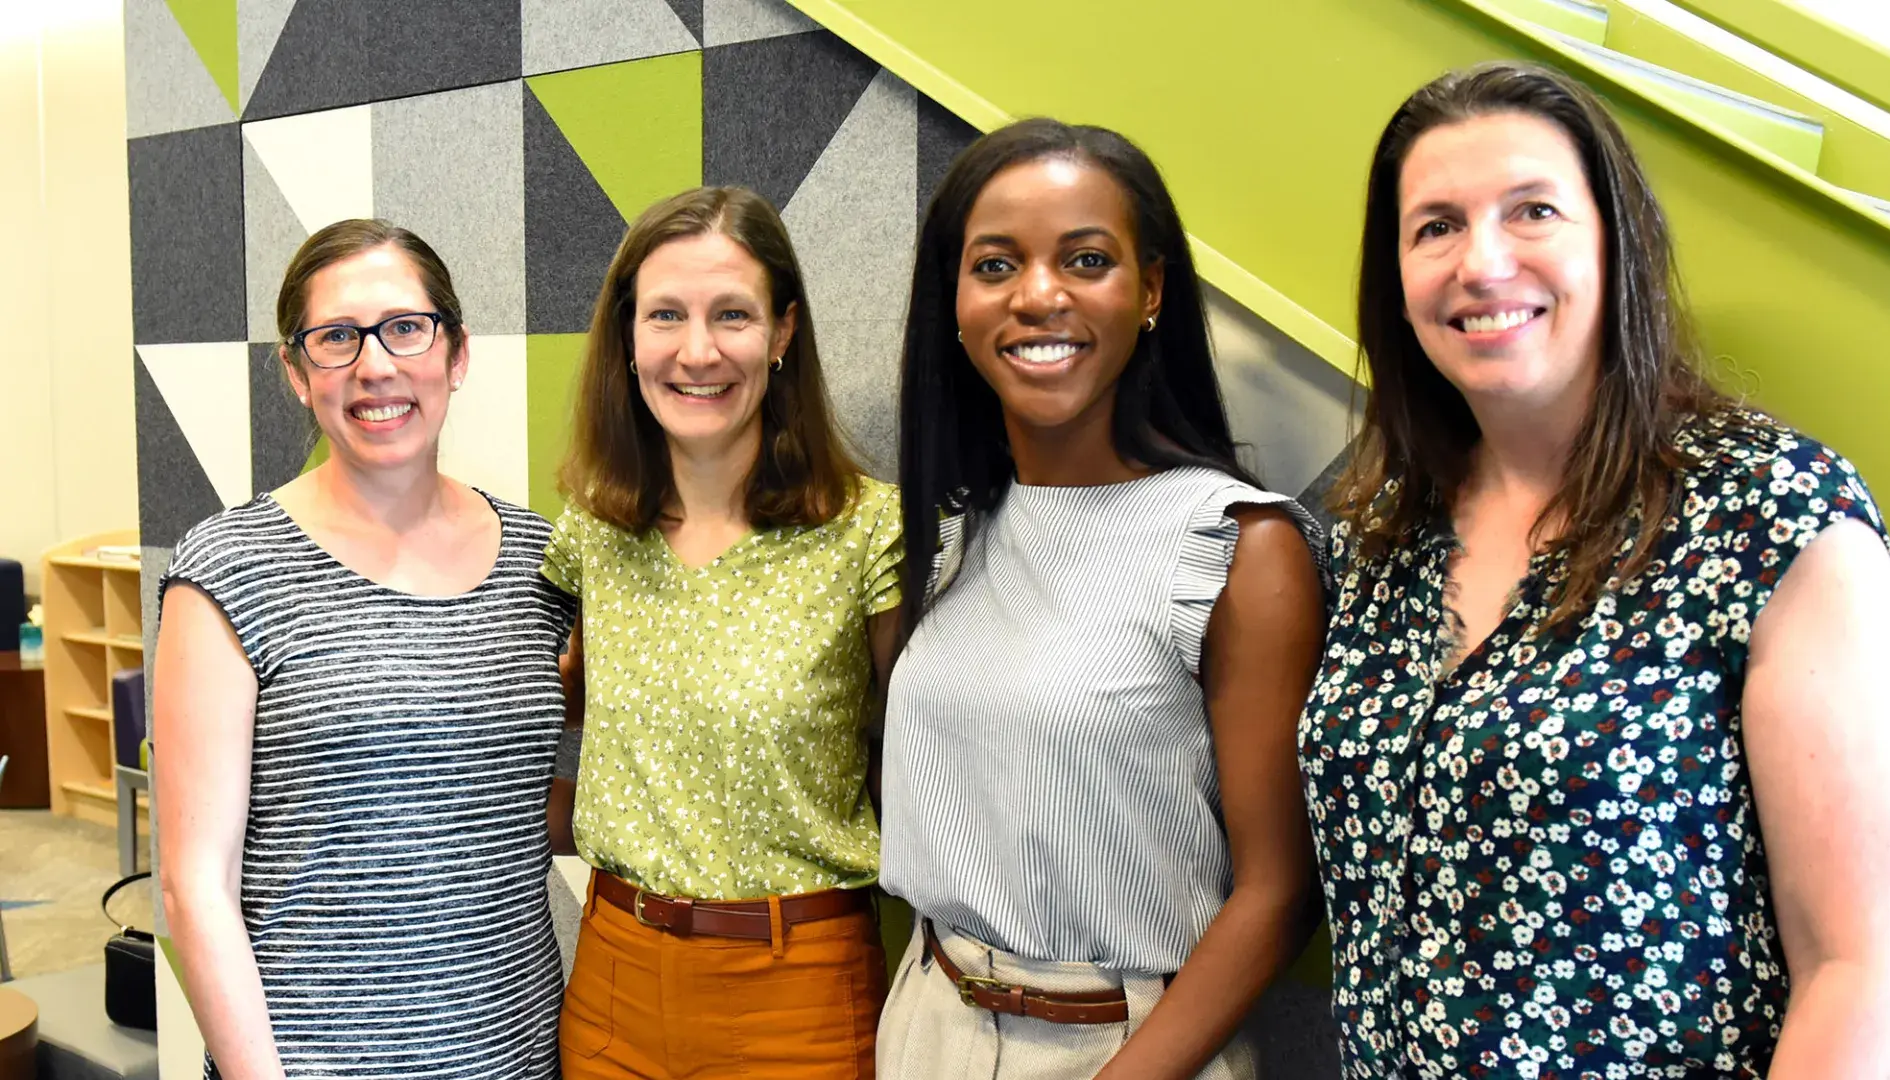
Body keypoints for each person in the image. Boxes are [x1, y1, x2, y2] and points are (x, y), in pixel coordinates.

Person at [1302, 60, 1890, 1078]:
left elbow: (1862, 971)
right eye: (1436, 226)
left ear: (1616, 242)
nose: (1481, 261)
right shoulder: (1383, 531)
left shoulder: (1768, 511)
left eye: (1533, 210)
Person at [876, 118, 1330, 1079]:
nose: (1039, 296)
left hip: (1130, 1045)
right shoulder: (956, 534)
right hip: (930, 1020)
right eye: (995, 266)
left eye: (1085, 259)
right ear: (954, 304)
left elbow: (1278, 894)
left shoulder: (1239, 545)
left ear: (1151, 290)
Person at [153, 219, 577, 1078]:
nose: (375, 365)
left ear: (455, 353)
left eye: (405, 328)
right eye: (336, 338)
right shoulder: (229, 568)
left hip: (520, 1054)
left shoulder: (546, 560)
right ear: (296, 371)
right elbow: (193, 888)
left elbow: (536, 812)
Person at [543, 186, 903, 1080]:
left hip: (798, 992)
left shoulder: (867, 534)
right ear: (627, 338)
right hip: (613, 980)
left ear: (783, 333)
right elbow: (548, 723)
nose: (696, 351)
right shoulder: (592, 531)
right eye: (665, 314)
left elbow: (931, 764)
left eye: (731, 314)